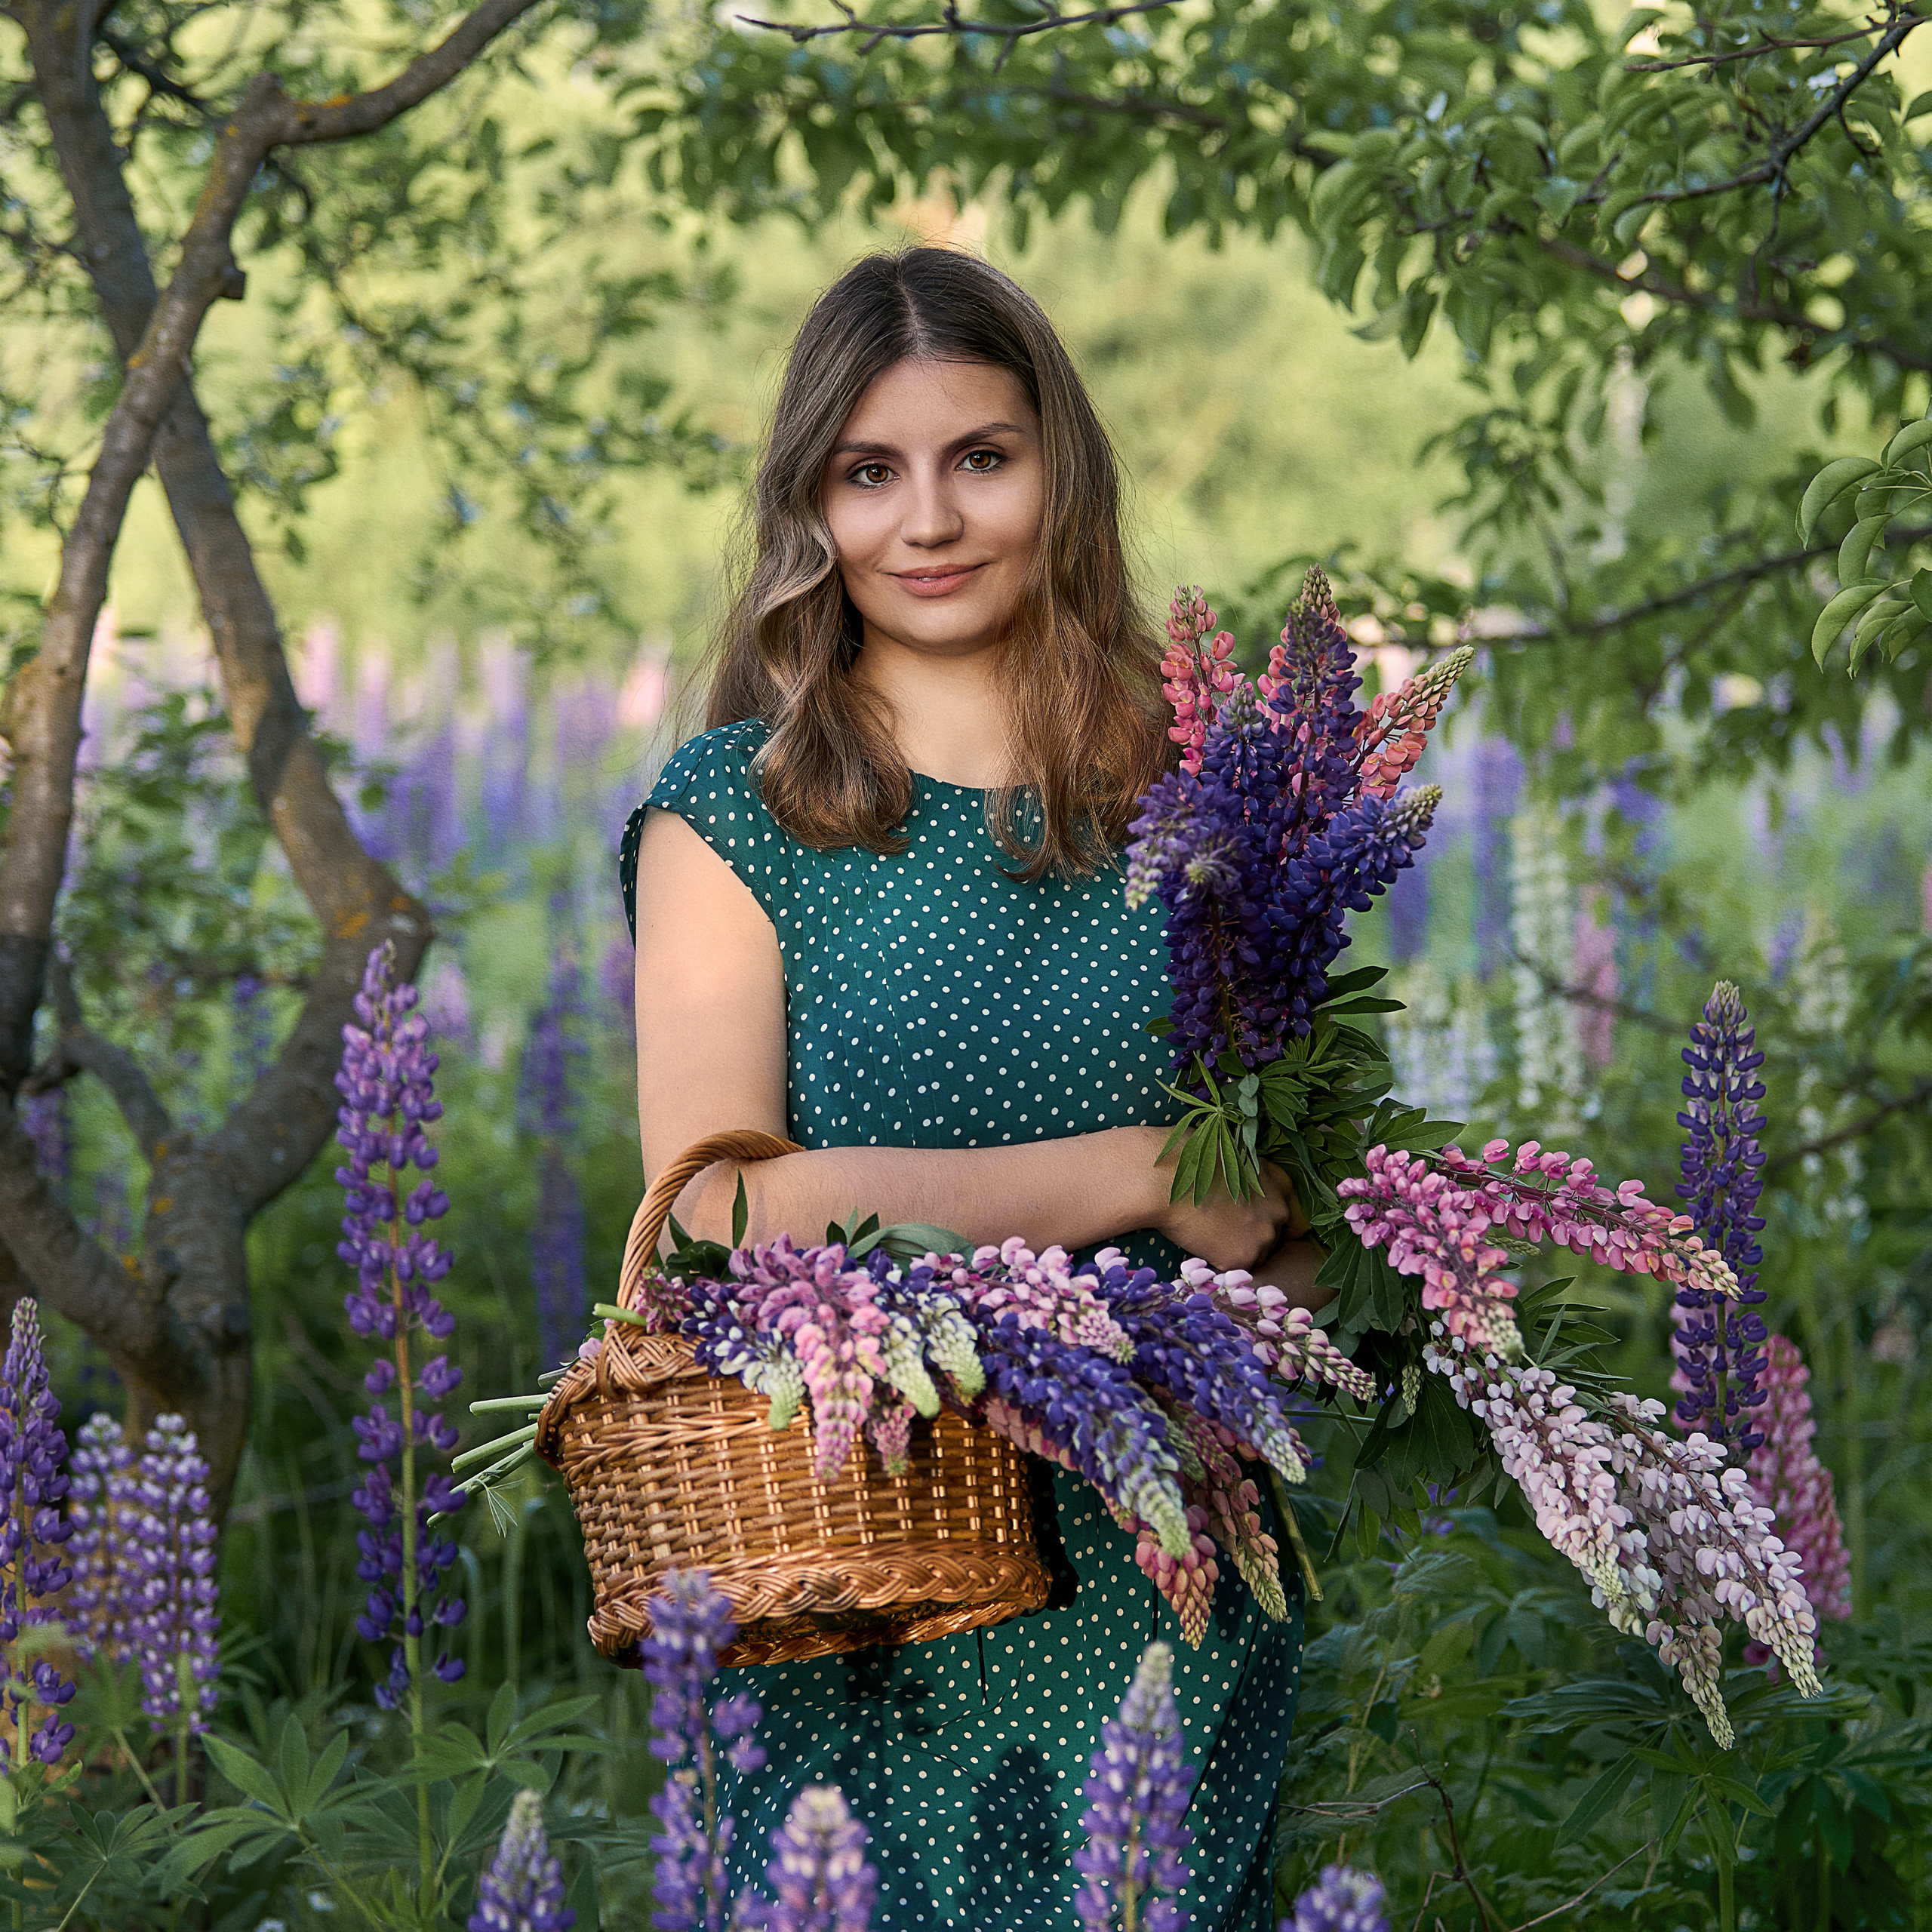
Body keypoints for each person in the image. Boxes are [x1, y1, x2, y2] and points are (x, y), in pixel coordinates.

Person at [623, 247, 1326, 1931]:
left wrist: (1296, 1289)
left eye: (980, 458)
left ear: (1055, 469)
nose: (928, 520)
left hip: (1173, 1568)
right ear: (810, 504)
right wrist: (1138, 1171)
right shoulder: (733, 812)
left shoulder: (1199, 793)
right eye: (870, 472)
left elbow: (1282, 1217)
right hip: (875, 1576)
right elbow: (713, 1216)